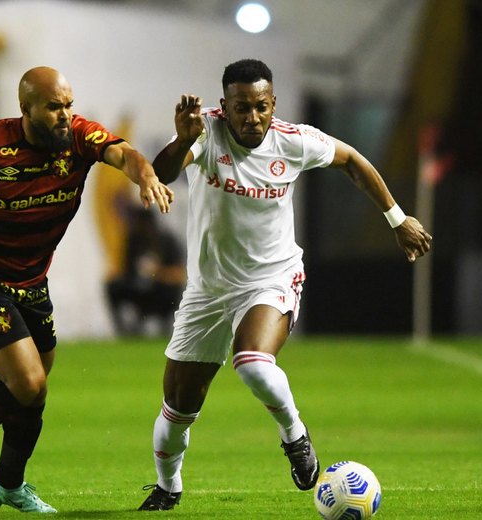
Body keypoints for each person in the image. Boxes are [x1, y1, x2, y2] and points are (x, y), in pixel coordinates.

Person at [137, 59, 432, 511]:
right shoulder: (205, 133)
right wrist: (182, 138)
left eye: (261, 107)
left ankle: (295, 436)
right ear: (225, 106)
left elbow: (352, 160)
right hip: (208, 290)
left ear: (273, 104)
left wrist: (397, 218)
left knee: (252, 362)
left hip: (270, 279)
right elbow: (162, 173)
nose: (252, 118)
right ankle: (168, 486)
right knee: (178, 406)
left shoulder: (293, 141)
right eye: (241, 108)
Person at [0, 66, 174, 516]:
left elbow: (126, 155)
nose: (65, 115)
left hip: (31, 282)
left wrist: (144, 176)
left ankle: (8, 483)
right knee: (27, 382)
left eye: (68, 105)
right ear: (26, 109)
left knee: (33, 391)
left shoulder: (81, 137)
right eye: (53, 107)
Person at [105, 207, 185, 336]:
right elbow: (125, 269)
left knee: (170, 289)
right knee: (113, 285)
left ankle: (166, 327)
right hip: (137, 288)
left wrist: (158, 272)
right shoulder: (133, 240)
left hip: (160, 289)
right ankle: (123, 330)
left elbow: (179, 274)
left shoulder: (167, 240)